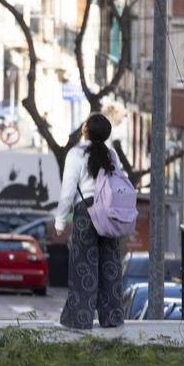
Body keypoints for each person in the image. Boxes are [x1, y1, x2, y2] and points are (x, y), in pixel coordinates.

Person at [55, 113, 125, 329]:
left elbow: (68, 190)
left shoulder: (76, 154)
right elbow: (120, 181)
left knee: (83, 266)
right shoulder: (111, 155)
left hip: (86, 212)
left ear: (85, 129)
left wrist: (60, 221)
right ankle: (112, 318)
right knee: (110, 265)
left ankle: (79, 318)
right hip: (109, 213)